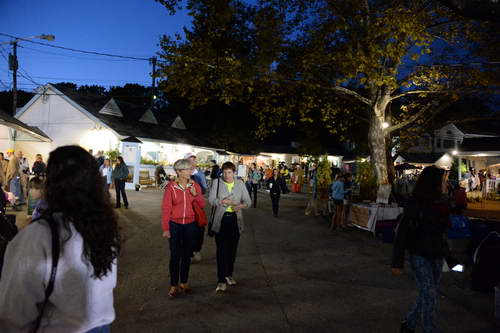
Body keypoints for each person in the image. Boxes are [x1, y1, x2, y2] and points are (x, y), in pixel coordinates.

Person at [0, 145, 120, 332]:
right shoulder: (104, 226)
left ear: (52, 182)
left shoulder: (38, 235)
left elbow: (13, 313)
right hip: (101, 325)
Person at [392, 166, 451, 333]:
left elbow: (442, 234)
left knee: (427, 294)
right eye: (444, 180)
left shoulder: (442, 202)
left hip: (437, 254)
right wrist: (397, 262)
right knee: (430, 293)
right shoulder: (415, 202)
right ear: (434, 182)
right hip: (419, 254)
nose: (446, 183)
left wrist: (450, 258)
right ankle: (429, 329)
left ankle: (409, 324)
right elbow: (402, 231)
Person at [161, 158, 205, 299]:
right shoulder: (171, 188)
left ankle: (184, 283)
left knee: (186, 255)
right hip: (175, 225)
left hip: (191, 225)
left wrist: (195, 194)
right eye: (187, 169)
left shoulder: (195, 185)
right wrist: (166, 228)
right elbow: (166, 208)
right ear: (179, 172)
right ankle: (174, 285)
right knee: (175, 256)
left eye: (190, 168)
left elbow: (202, 204)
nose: (190, 171)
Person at [209, 161, 251, 292]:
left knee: (232, 250)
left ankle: (228, 274)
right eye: (224, 172)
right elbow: (211, 200)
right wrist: (221, 201)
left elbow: (248, 201)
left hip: (235, 220)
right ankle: (221, 280)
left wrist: (240, 206)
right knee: (221, 251)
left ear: (234, 173)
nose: (227, 175)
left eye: (229, 172)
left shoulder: (240, 184)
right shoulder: (216, 183)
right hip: (220, 221)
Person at [184, 153, 208, 262]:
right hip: (185, 206)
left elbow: (204, 189)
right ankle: (188, 253)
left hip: (197, 205)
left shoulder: (200, 174)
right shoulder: (182, 173)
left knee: (199, 228)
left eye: (194, 160)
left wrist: (196, 189)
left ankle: (196, 249)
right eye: (190, 160)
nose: (193, 162)